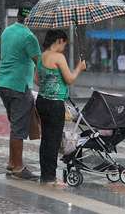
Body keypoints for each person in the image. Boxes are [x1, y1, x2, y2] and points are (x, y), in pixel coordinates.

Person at [0, 2, 41, 180]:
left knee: (15, 125)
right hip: (19, 85)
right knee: (19, 128)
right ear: (30, 17)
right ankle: (18, 167)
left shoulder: (7, 31)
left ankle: (11, 162)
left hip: (3, 84)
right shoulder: (29, 36)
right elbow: (40, 63)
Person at [35, 29, 86, 184]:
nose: (65, 47)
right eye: (64, 43)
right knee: (54, 140)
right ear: (59, 41)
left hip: (42, 101)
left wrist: (51, 81)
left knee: (46, 139)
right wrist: (79, 68)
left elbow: (37, 80)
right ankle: (50, 178)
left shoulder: (42, 56)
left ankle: (45, 174)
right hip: (55, 103)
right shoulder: (58, 57)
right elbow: (70, 79)